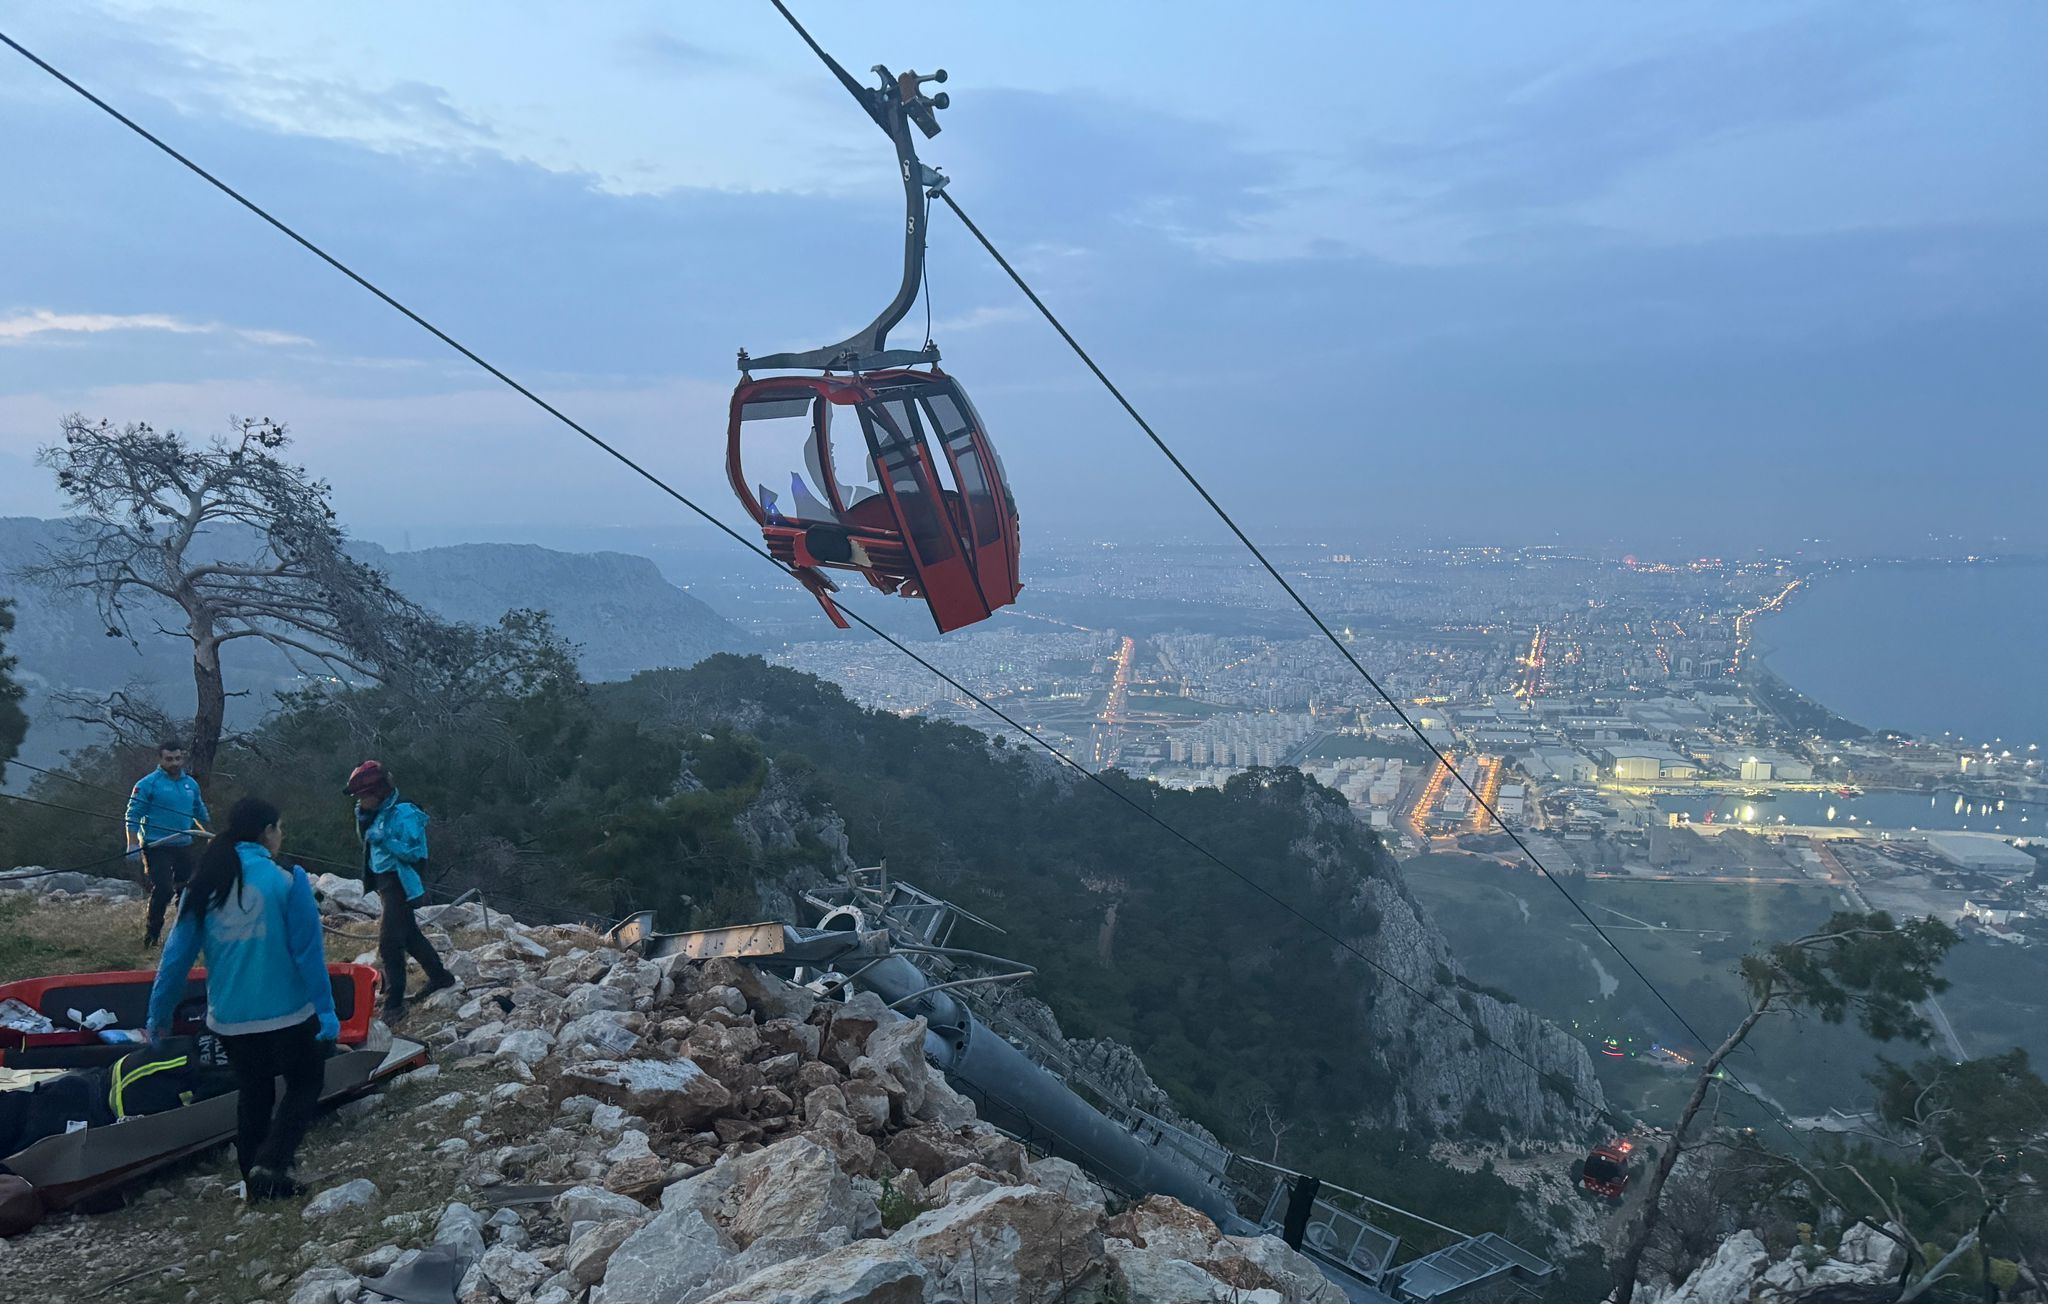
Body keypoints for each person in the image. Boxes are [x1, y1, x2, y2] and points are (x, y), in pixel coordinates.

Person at [145, 797, 338, 1200]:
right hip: (288, 1013)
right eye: (279, 829)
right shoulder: (287, 881)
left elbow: (175, 959)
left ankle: (254, 1182)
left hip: (229, 1018)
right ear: (267, 832)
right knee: (305, 1082)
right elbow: (308, 955)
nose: (281, 837)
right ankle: (273, 1162)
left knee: (254, 1091)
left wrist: (158, 1015)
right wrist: (327, 1012)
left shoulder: (203, 885)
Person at [347, 761, 455, 1023]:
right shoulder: (369, 813)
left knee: (389, 943)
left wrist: (386, 840)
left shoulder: (405, 813)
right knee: (409, 935)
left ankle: (394, 1004)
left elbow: (415, 852)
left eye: (365, 795)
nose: (362, 801)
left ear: (381, 791)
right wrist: (367, 825)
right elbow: (368, 843)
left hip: (400, 882)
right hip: (384, 881)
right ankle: (440, 976)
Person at [126, 739, 211, 947]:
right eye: (169, 759)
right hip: (157, 845)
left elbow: (199, 812)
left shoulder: (190, 784)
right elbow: (133, 814)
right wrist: (132, 844)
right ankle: (152, 935)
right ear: (160, 759)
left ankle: (186, 935)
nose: (174, 763)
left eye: (178, 758)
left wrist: (211, 835)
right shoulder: (147, 784)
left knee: (188, 890)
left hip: (183, 844)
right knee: (163, 889)